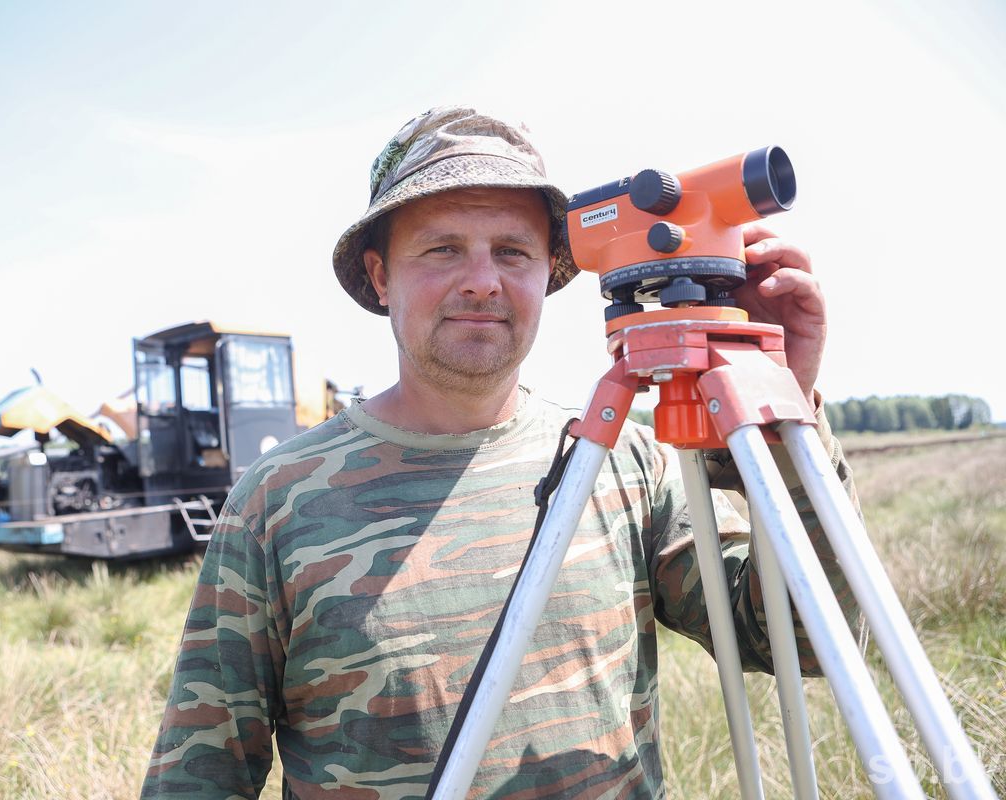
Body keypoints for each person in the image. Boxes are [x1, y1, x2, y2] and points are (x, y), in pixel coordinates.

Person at [141, 107, 862, 799]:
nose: (482, 280)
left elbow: (804, 645)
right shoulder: (278, 499)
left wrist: (782, 410)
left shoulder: (625, 465)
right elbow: (199, 777)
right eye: (443, 248)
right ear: (382, 274)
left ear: (548, 274)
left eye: (511, 252)